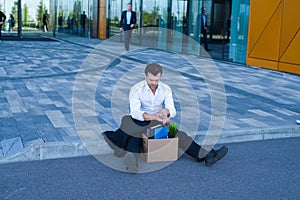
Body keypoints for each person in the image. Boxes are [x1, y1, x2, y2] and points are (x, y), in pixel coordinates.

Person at [102, 63, 228, 173]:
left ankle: (208, 156)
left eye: (157, 80)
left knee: (181, 135)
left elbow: (172, 110)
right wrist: (155, 116)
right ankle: (132, 163)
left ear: (160, 77)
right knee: (135, 137)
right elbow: (135, 112)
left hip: (157, 122)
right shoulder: (136, 89)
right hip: (138, 121)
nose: (154, 83)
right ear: (145, 76)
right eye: (151, 80)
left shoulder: (166, 89)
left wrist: (166, 112)